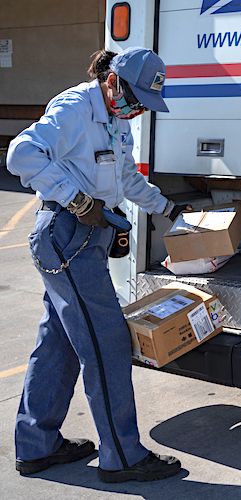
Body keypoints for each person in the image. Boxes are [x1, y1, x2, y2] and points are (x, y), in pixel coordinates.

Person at [7, 47, 189, 483]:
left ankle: (37, 445)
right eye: (136, 100)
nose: (137, 110)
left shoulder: (113, 122)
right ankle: (123, 456)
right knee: (106, 343)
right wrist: (76, 199)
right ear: (112, 82)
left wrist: (170, 209)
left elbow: (126, 179)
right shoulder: (74, 108)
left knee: (59, 343)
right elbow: (21, 154)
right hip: (66, 233)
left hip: (84, 239)